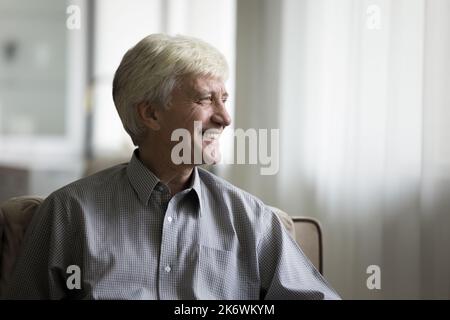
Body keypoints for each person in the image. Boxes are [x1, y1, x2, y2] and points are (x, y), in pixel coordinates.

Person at [4, 34, 340, 300]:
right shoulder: (68, 213)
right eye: (206, 99)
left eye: (224, 99)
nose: (225, 118)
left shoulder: (250, 218)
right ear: (150, 114)